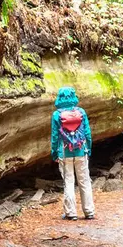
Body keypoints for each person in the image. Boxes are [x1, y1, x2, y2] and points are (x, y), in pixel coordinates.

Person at [50, 86, 95, 220]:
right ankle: (89, 211)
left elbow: (55, 137)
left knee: (69, 182)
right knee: (85, 181)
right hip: (82, 151)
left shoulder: (57, 115)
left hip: (64, 153)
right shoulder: (81, 112)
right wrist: (89, 148)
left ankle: (71, 213)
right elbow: (87, 133)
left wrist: (54, 153)